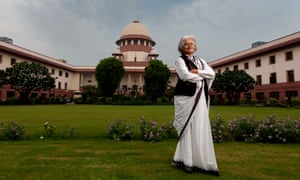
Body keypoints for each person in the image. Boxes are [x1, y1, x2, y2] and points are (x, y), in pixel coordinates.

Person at [172, 35, 219, 176]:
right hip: (186, 99)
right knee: (188, 128)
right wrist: (203, 76)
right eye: (186, 44)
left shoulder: (200, 61)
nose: (189, 45)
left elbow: (212, 74)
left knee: (199, 127)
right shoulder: (180, 60)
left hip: (200, 98)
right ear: (182, 47)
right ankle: (186, 161)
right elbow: (185, 76)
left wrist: (198, 71)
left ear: (195, 46)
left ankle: (200, 160)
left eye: (192, 43)